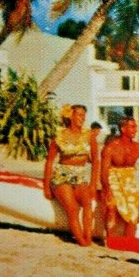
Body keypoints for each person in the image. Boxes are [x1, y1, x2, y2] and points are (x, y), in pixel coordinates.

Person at [43, 104, 99, 246]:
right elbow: (49, 162)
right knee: (73, 208)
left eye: (84, 115)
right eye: (79, 114)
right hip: (61, 176)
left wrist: (93, 184)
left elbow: (96, 161)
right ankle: (82, 241)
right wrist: (46, 187)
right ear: (71, 116)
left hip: (80, 176)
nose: (82, 118)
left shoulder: (89, 136)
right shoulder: (59, 135)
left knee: (87, 204)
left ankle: (88, 238)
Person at [100, 117, 139, 238]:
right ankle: (111, 240)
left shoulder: (138, 147)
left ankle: (129, 240)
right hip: (113, 179)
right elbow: (103, 172)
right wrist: (107, 189)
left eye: (135, 126)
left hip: (130, 181)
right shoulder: (111, 147)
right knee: (111, 208)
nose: (135, 130)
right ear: (123, 129)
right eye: (132, 127)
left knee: (134, 211)